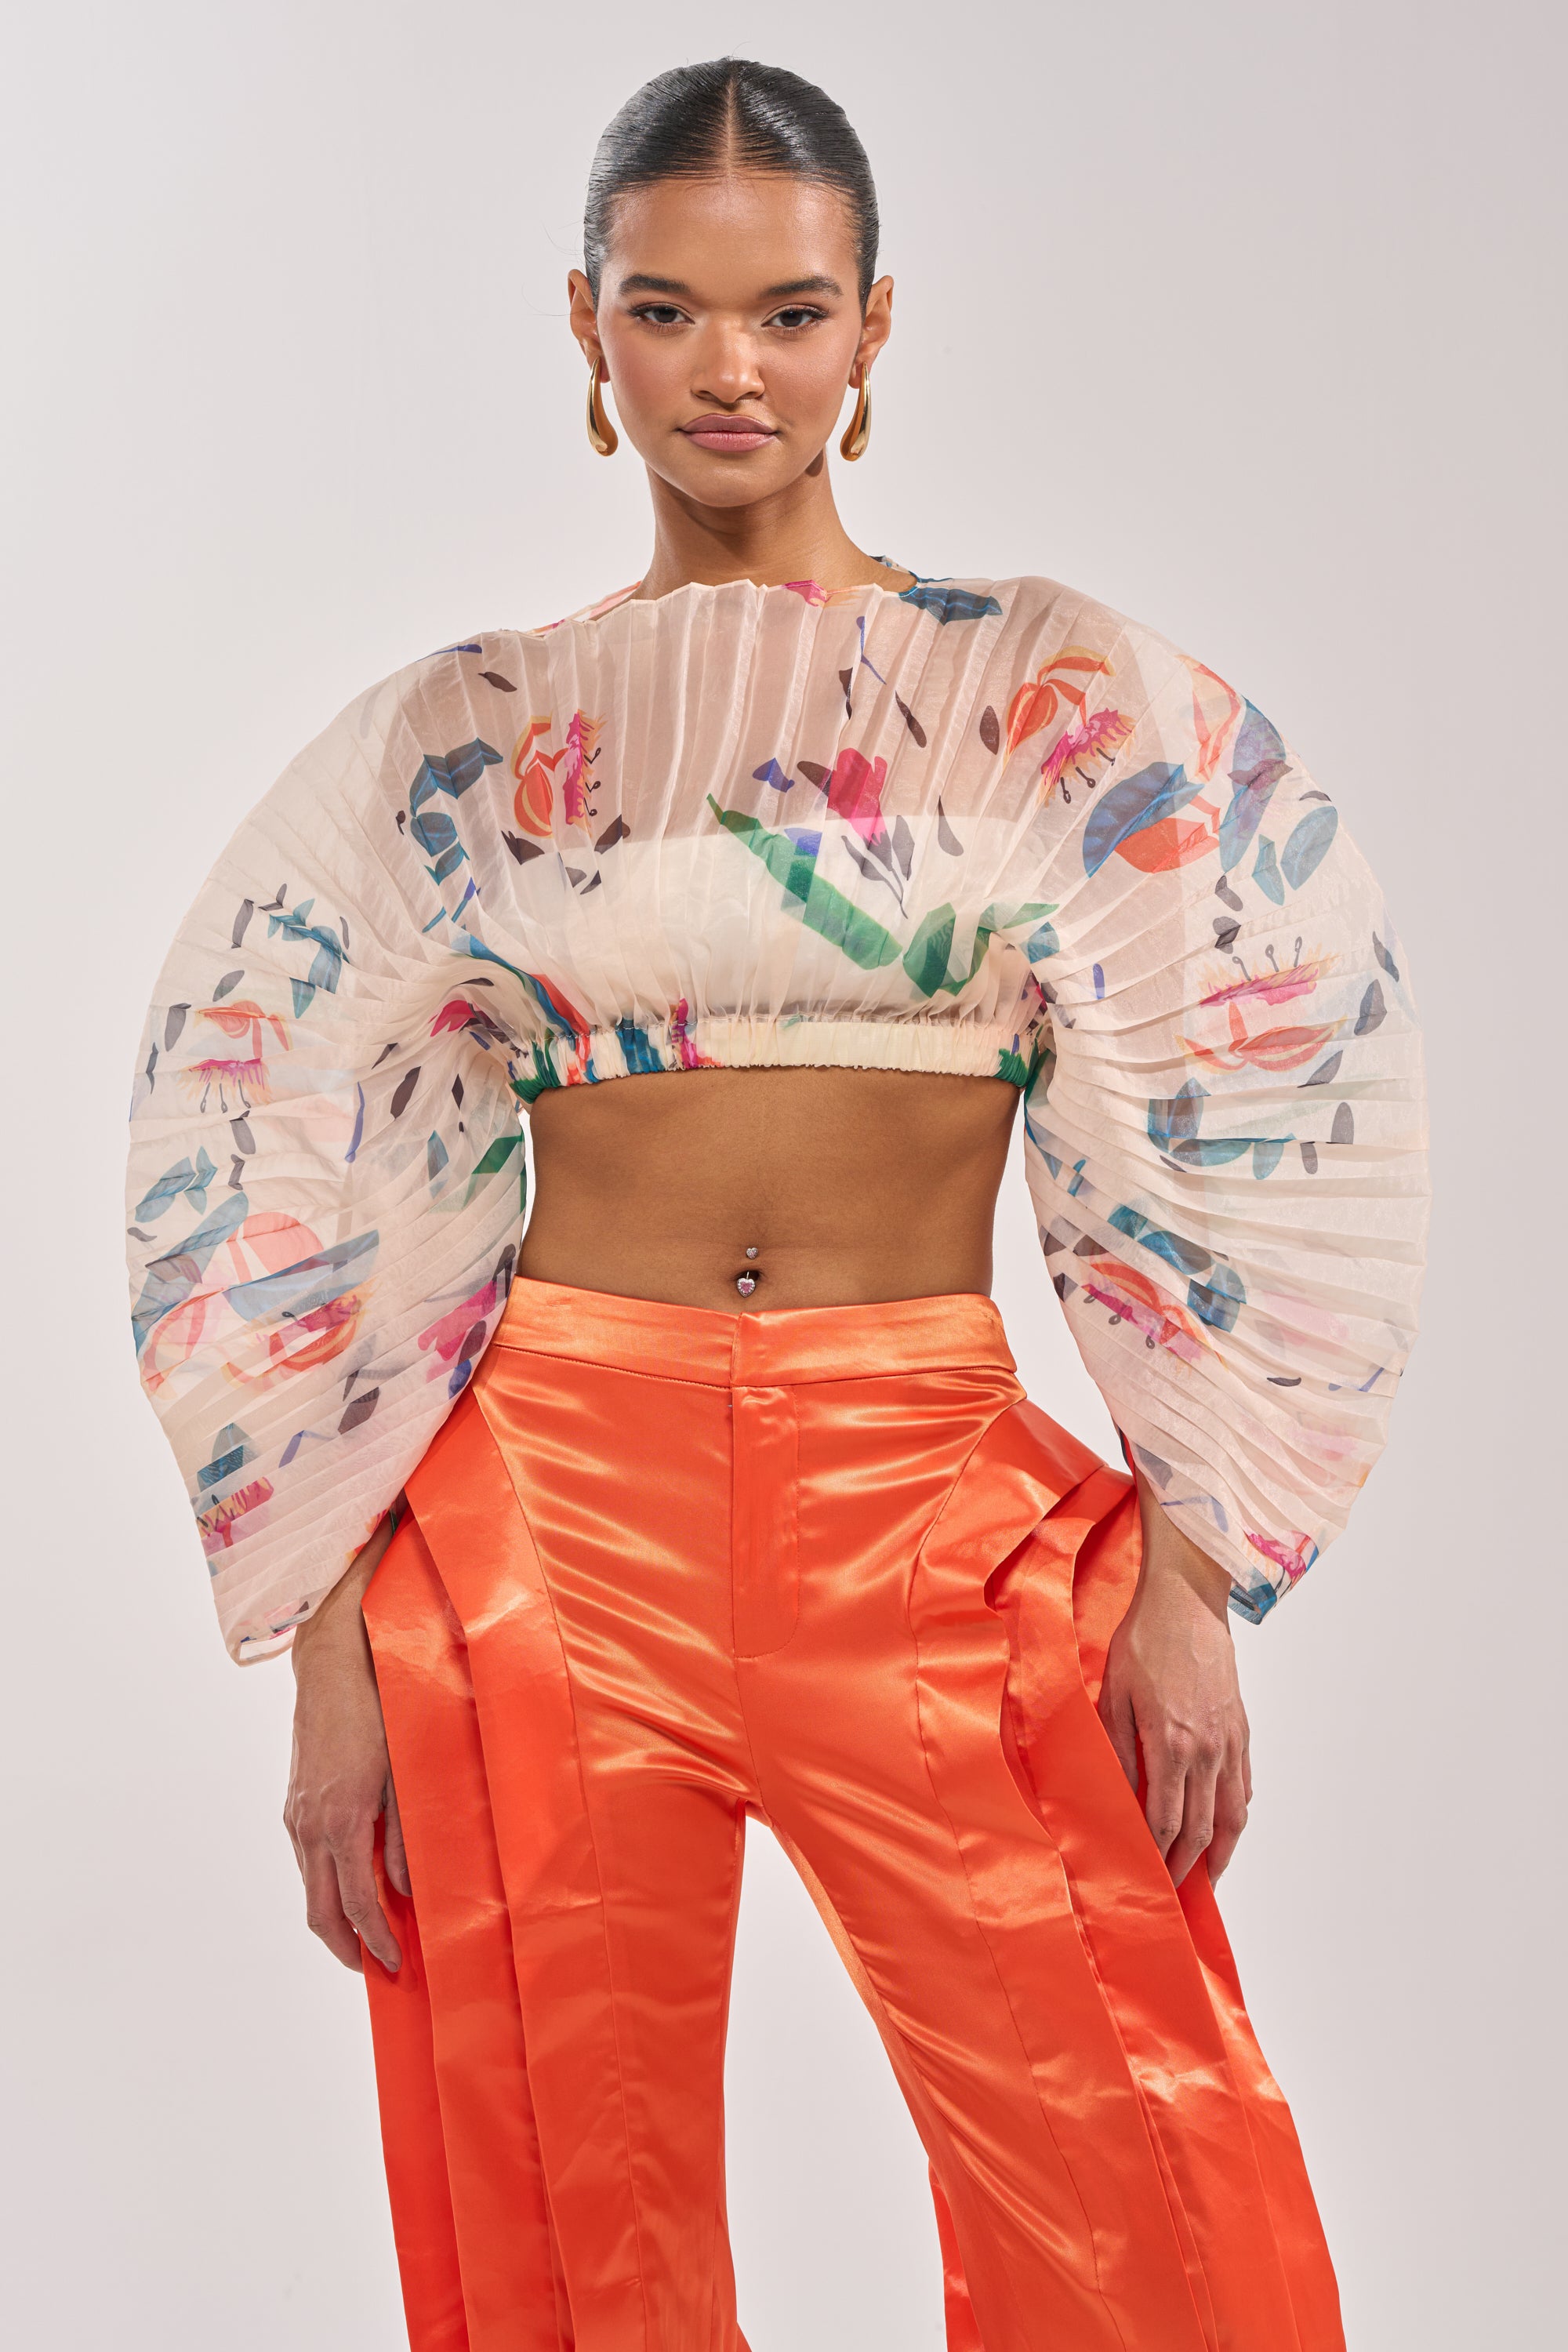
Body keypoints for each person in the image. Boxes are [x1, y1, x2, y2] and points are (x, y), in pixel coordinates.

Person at [125, 56, 1427, 2352]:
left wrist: (1199, 1569)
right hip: (546, 1507)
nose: (731, 371)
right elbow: (278, 1148)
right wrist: (327, 1654)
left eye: (790, 313)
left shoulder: (1046, 695)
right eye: (668, 309)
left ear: (877, 326)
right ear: (585, 327)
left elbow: (1258, 1072)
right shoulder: (472, 738)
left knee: (1149, 2194)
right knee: (554, 2205)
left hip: (922, 1490)